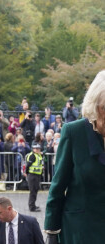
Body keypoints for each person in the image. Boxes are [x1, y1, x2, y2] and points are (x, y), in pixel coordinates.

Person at [44, 70, 105, 244]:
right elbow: (58, 185)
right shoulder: (74, 132)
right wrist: (52, 232)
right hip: (80, 230)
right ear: (94, 106)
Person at [25, 143, 43, 212]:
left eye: (38, 149)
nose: (38, 150)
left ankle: (33, 205)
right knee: (33, 191)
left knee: (35, 190)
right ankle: (32, 207)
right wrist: (27, 173)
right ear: (33, 149)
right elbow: (28, 165)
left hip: (36, 175)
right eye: (36, 149)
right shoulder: (33, 156)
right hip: (32, 175)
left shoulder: (38, 155)